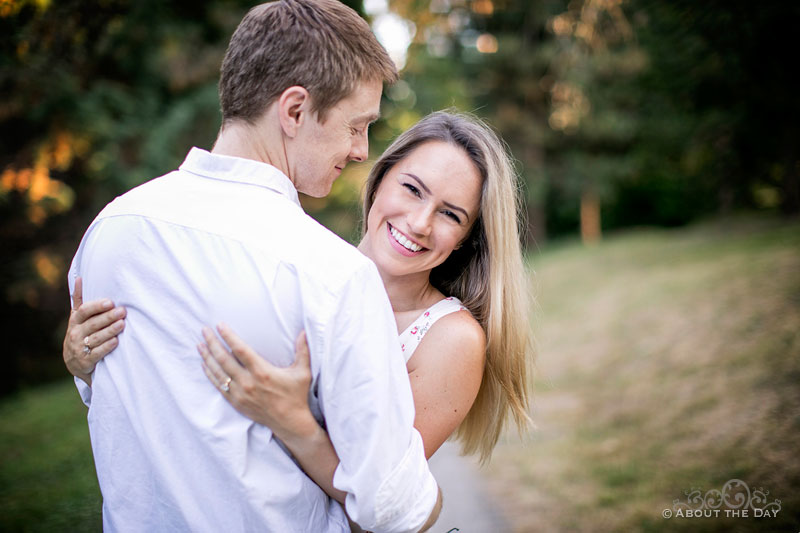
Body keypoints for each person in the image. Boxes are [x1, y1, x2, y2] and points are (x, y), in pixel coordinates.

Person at [64, 1, 445, 531]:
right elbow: (394, 510)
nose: (361, 151)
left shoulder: (110, 230)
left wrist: (80, 371)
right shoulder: (330, 275)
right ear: (294, 111)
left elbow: (107, 390)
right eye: (356, 127)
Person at [65, 111, 534, 514]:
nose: (419, 222)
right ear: (381, 177)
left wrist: (294, 423)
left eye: (450, 214)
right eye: (412, 189)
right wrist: (88, 369)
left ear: (467, 238)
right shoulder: (299, 268)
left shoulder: (450, 338)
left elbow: (380, 503)